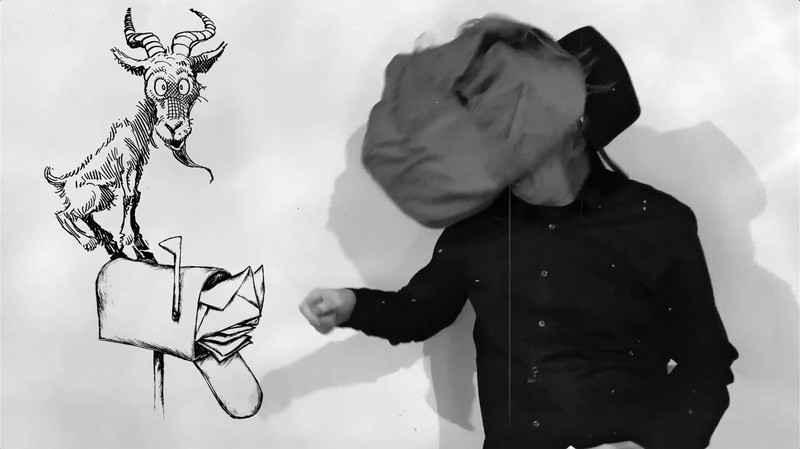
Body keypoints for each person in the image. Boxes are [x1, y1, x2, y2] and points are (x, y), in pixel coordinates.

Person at [300, 21, 737, 449]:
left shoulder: (656, 223)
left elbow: (706, 364)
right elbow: (419, 312)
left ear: (575, 138)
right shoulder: (479, 227)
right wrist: (349, 305)